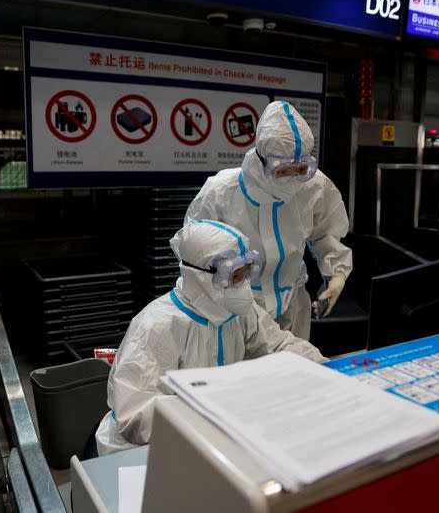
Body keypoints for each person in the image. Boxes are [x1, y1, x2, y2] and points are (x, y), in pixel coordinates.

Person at [94, 220, 326, 456]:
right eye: (235, 276)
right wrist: (214, 407)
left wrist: (330, 371)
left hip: (212, 438)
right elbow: (135, 416)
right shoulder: (157, 326)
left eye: (247, 274)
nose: (244, 286)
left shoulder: (237, 311)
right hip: (143, 450)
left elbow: (279, 345)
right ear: (200, 276)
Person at [184, 100, 352, 340]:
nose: (293, 180)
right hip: (237, 311)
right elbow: (193, 252)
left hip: (293, 306)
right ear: (262, 161)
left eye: (301, 169)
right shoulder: (221, 191)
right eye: (283, 171)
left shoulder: (315, 187)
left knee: (294, 372)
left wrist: (336, 275)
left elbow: (325, 234)